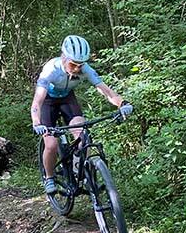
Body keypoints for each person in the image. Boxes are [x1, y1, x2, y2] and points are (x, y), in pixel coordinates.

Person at [31, 35, 133, 194]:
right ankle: (49, 177)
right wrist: (37, 123)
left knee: (83, 136)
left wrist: (122, 103)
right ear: (64, 57)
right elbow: (37, 101)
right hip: (48, 102)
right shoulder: (51, 69)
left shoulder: (85, 70)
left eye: (81, 65)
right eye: (74, 64)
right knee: (51, 144)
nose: (77, 69)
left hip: (67, 99)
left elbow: (106, 91)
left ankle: (80, 170)